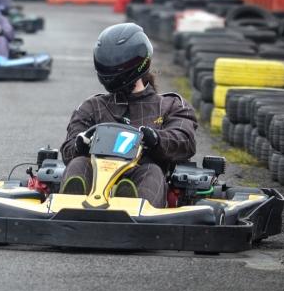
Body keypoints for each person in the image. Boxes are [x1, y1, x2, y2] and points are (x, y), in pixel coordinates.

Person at [58, 23, 198, 207]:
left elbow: (184, 141)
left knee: (152, 172)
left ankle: (131, 206)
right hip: (95, 176)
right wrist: (80, 144)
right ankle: (70, 208)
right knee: (77, 164)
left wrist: (156, 139)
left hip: (142, 173)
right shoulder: (92, 106)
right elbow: (68, 150)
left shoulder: (170, 105)